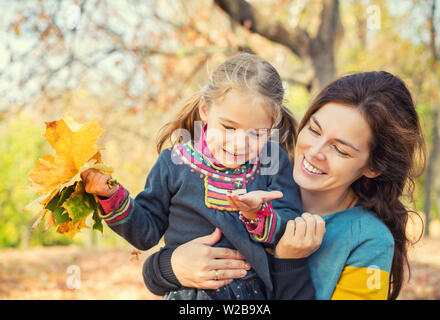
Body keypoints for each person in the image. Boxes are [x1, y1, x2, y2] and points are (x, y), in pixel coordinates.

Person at [144, 71, 426, 300]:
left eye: (340, 150)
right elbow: (172, 263)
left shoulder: (369, 240)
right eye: (314, 130)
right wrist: (167, 267)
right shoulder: (250, 179)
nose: (314, 151)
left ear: (373, 166)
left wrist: (289, 262)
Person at [81, 53, 321, 300]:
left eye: (257, 134)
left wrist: (257, 216)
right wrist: (112, 196)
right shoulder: (173, 163)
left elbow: (289, 227)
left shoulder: (274, 162)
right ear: (205, 109)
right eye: (229, 127)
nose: (240, 144)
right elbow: (146, 233)